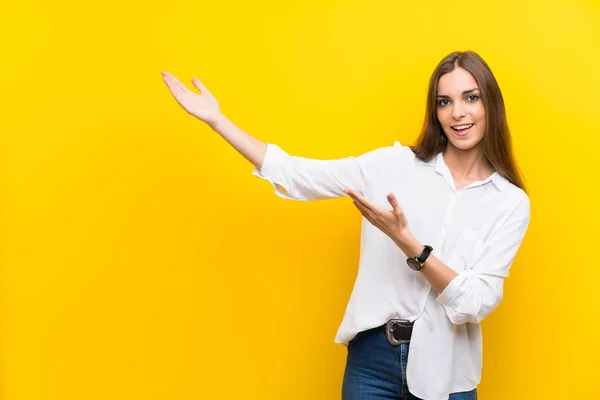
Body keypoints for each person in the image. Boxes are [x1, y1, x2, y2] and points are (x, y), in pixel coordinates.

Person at [160, 50, 531, 400]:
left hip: (446, 372)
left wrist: (408, 244)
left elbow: (474, 303)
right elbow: (298, 174)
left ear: (490, 104)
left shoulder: (509, 202)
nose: (457, 113)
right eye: (444, 101)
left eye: (471, 97)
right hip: (372, 364)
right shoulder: (394, 165)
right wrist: (217, 120)